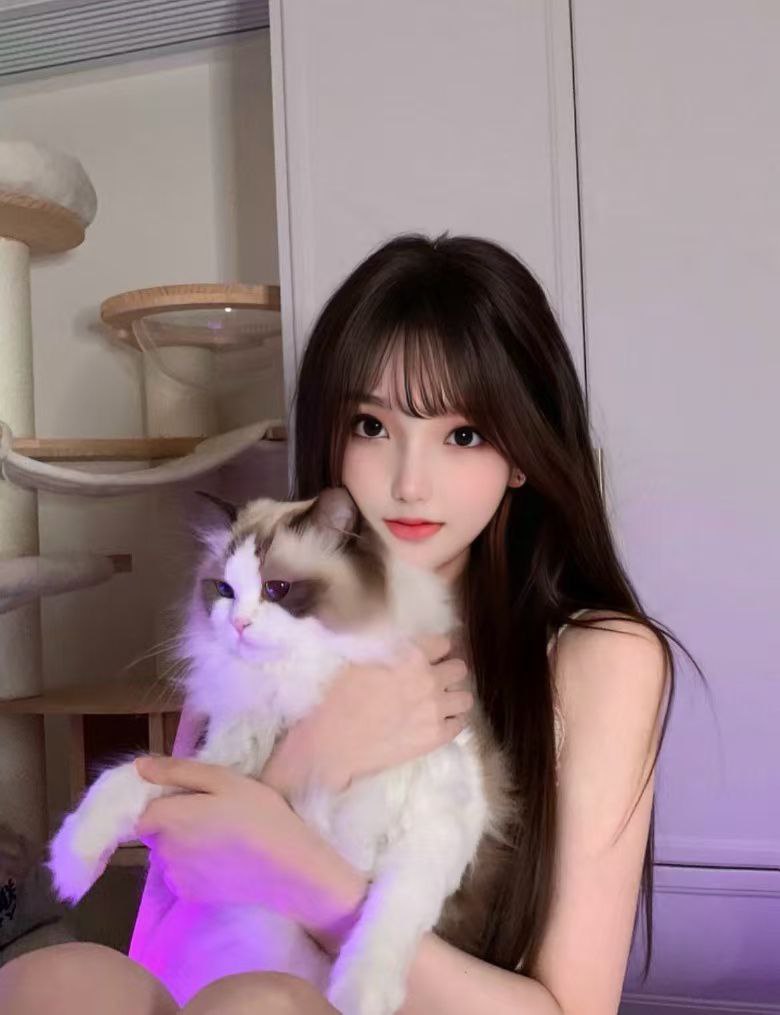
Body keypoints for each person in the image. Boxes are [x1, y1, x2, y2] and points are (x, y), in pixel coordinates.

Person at [0, 232, 703, 1014]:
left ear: (521, 454)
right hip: (223, 983)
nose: (409, 482)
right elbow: (169, 939)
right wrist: (312, 756)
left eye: (463, 434)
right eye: (372, 426)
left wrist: (303, 873)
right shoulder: (252, 625)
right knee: (53, 978)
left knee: (261, 1004)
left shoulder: (601, 657)